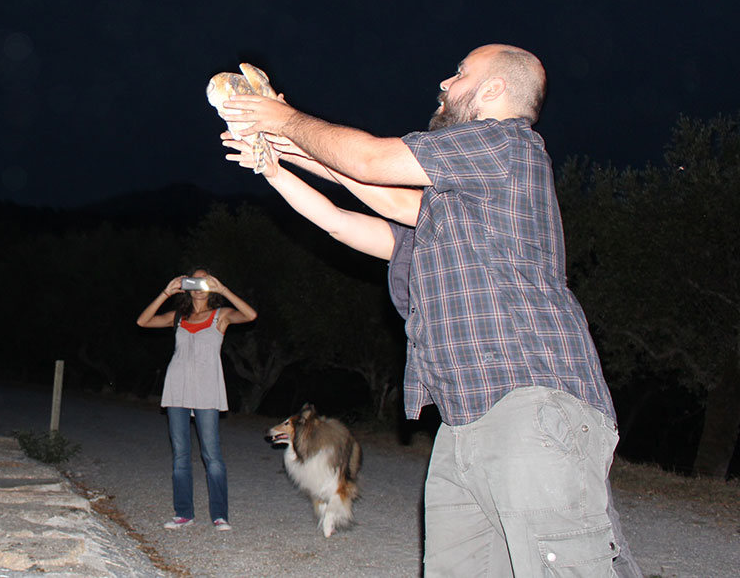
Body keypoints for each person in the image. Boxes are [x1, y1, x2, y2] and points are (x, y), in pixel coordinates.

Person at [220, 44, 643, 577]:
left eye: (460, 73)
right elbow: (350, 210)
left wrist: (283, 118)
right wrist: (278, 157)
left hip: (530, 403)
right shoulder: (456, 213)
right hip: (463, 422)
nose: (444, 82)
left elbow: (369, 161)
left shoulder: (507, 144)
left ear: (493, 89)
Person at [135, 268, 257, 532]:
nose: (199, 286)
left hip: (207, 389)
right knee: (181, 454)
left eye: (205, 281)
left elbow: (250, 315)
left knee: (212, 455)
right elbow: (143, 322)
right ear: (187, 286)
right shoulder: (178, 317)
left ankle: (220, 515)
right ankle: (183, 513)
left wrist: (223, 290)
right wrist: (165, 293)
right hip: (177, 388)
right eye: (195, 281)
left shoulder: (220, 316)